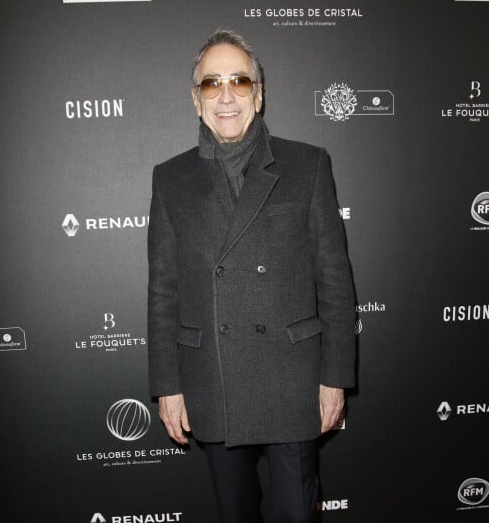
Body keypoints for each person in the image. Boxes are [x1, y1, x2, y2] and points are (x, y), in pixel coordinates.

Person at [148, 30, 356, 523]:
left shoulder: (307, 165)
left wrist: (334, 378)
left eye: (239, 81)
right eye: (211, 83)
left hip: (292, 380)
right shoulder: (170, 178)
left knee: (296, 514)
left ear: (258, 95)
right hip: (212, 380)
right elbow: (163, 292)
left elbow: (335, 281)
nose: (225, 95)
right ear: (195, 100)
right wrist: (167, 385)